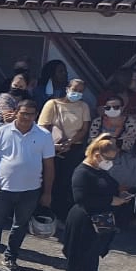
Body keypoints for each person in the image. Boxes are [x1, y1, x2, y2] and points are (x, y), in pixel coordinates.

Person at [0, 100, 54, 271]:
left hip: (31, 190)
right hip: (3, 190)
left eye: (31, 114)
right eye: (24, 113)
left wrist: (47, 192)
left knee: (19, 226)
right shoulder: (0, 132)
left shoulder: (44, 135)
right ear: (15, 112)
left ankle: (11, 257)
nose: (27, 117)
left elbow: (49, 166)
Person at [63, 135, 132, 271]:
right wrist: (111, 201)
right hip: (83, 218)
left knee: (93, 254)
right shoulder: (82, 172)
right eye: (108, 159)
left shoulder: (101, 170)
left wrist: (121, 194)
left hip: (101, 218)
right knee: (77, 256)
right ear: (97, 155)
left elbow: (109, 186)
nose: (111, 163)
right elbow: (80, 198)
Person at [39, 76, 91, 218]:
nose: (77, 93)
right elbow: (42, 126)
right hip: (51, 148)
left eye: (81, 91)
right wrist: (53, 145)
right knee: (48, 179)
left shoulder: (83, 106)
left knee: (65, 182)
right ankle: (43, 210)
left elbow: (84, 129)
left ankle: (60, 213)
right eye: (75, 90)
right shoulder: (52, 104)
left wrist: (70, 142)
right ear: (67, 88)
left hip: (73, 149)